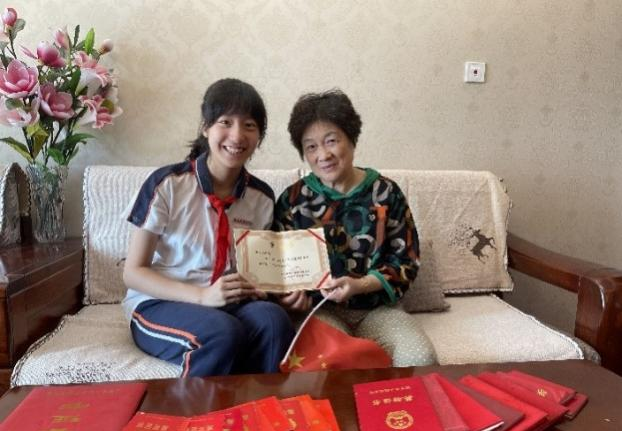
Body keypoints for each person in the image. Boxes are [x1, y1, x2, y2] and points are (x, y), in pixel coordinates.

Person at [122, 78, 294, 377]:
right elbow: (133, 272)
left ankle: (262, 405)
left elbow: (259, 272)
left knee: (273, 321)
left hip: (228, 301)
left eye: (249, 126)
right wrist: (202, 297)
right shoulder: (167, 184)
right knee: (221, 332)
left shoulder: (262, 198)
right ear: (206, 127)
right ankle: (195, 409)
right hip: (160, 302)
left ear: (259, 136)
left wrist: (285, 291)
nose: (237, 135)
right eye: (225, 122)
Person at [273, 89, 436, 365]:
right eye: (311, 147)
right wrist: (289, 297)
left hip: (377, 309)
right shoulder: (292, 200)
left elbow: (406, 262)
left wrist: (360, 285)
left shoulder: (386, 192)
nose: (323, 155)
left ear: (352, 139)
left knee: (420, 356)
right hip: (320, 310)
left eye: (331, 141)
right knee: (328, 364)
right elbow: (279, 268)